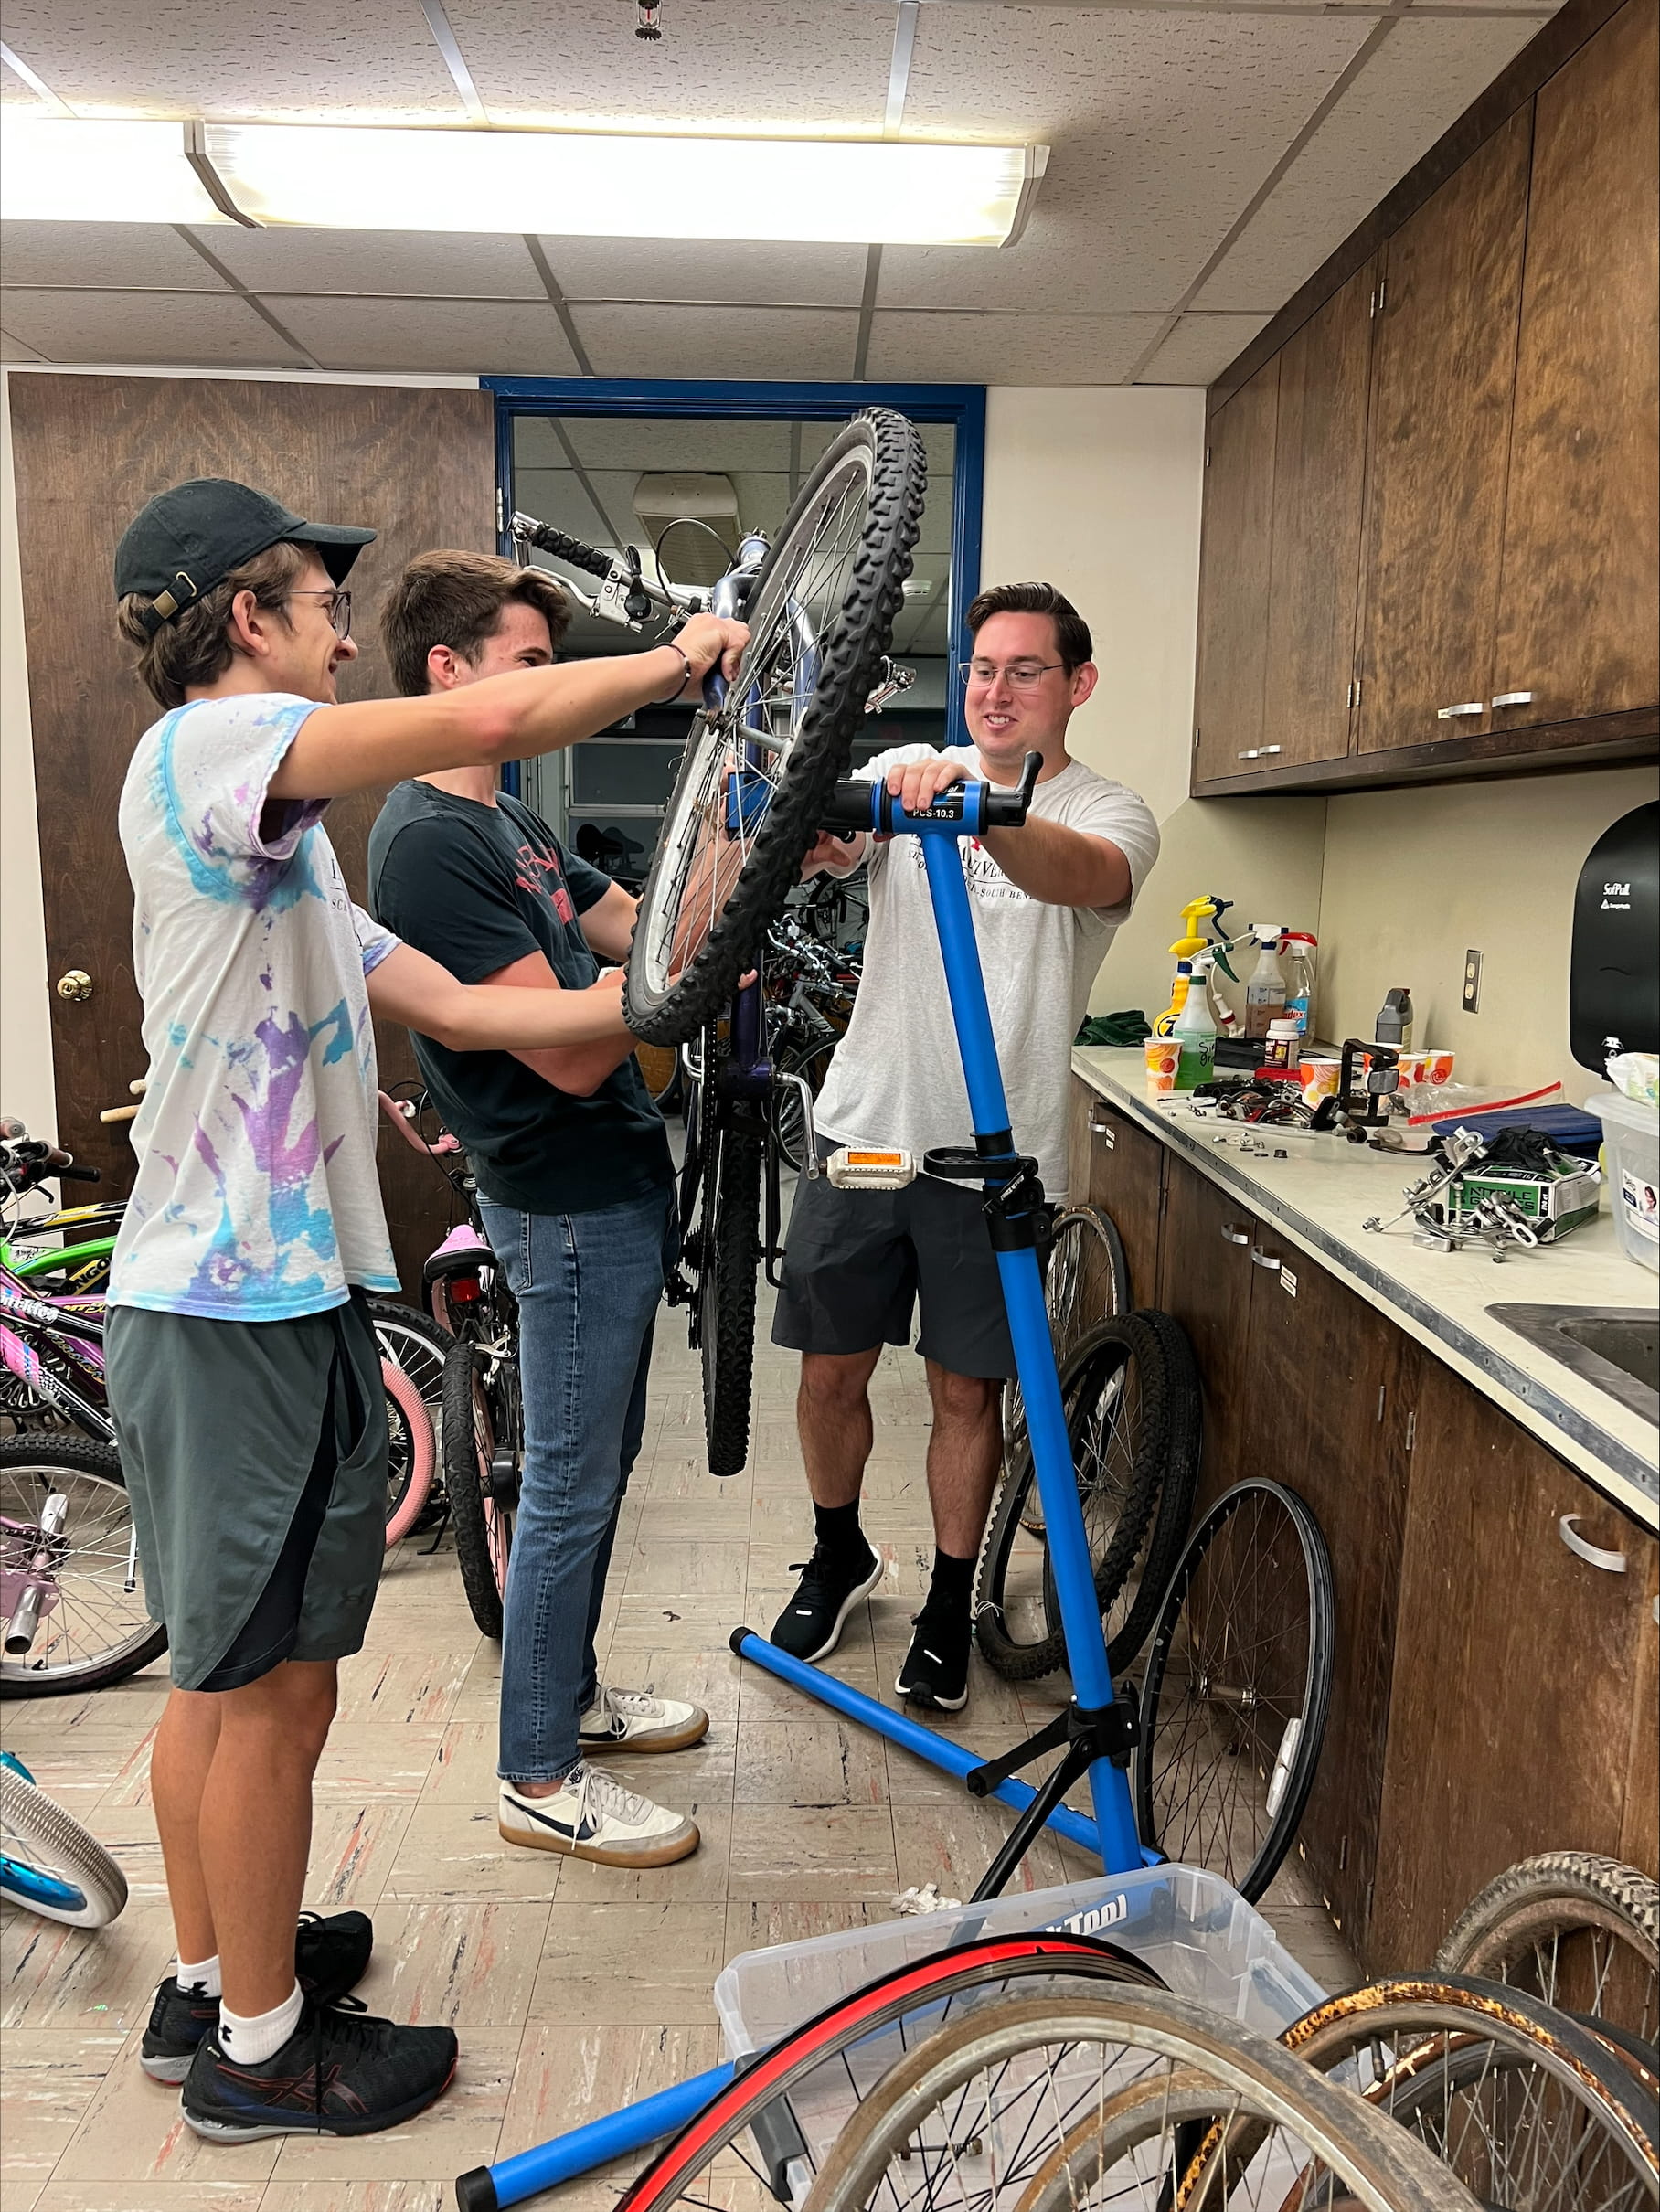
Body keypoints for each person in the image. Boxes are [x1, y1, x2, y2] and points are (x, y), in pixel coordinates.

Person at [102, 477, 744, 2143]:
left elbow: (463, 1001)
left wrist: (683, 963)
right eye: (316, 601)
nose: (337, 627)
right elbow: (503, 704)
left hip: (281, 1294)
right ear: (242, 618)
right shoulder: (204, 756)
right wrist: (676, 658)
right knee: (271, 1695)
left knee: (233, 1681)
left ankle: (214, 1977)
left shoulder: (288, 855)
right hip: (227, 1307)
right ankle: (262, 2050)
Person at [767, 580, 1160, 1713]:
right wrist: (834, 819)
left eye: (1024, 669)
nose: (996, 690)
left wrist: (975, 806)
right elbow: (822, 852)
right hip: (866, 1127)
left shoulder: (1109, 812)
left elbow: (1074, 873)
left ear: (1075, 684)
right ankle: (838, 1550)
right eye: (982, 669)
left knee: (962, 1394)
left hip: (997, 1158)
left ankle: (947, 1598)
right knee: (828, 1365)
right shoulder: (914, 774)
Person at [368, 550, 704, 1874]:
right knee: (565, 1486)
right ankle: (539, 1774)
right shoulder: (429, 842)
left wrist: (730, 831)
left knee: (597, 1471)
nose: (549, 692)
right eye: (529, 665)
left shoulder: (510, 827)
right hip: (561, 1204)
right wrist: (667, 997)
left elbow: (643, 926)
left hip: (612, 1185)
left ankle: (570, 1703)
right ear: (448, 673)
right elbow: (570, 1050)